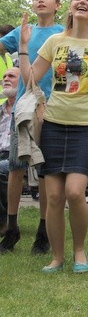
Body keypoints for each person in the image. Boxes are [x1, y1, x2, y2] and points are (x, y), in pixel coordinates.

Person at [19, 0, 88, 273]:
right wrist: (25, 46)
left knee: (75, 192)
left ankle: (79, 250)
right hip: (53, 124)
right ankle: (57, 257)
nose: (82, 1)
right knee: (52, 197)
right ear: (71, 7)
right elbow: (31, 80)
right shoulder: (55, 41)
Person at [0, 0, 64, 255]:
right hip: (23, 110)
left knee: (46, 173)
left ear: (57, 5)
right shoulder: (22, 32)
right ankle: (11, 228)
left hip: (53, 109)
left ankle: (43, 232)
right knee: (16, 168)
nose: (40, 1)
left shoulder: (63, 33)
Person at [0, 68, 20, 234]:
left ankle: (4, 223)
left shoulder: (26, 109)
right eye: (4, 76)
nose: (6, 79)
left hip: (16, 157)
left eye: (11, 76)